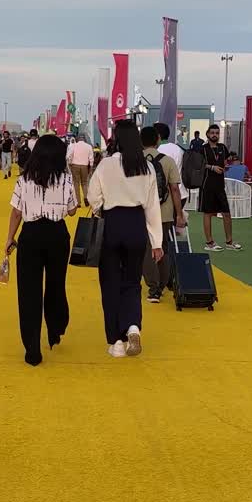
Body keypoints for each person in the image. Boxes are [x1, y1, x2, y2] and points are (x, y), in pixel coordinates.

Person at [87, 120, 164, 359]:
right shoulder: (147, 167)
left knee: (110, 284)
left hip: (112, 224)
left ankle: (116, 342)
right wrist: (157, 241)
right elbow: (152, 207)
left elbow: (92, 197)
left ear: (116, 138)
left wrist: (103, 208)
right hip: (136, 225)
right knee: (132, 281)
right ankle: (132, 326)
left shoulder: (106, 165)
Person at [4, 135, 78, 367]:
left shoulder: (24, 179)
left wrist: (9, 238)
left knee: (28, 292)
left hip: (31, 235)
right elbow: (73, 210)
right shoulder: (65, 179)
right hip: (57, 234)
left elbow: (16, 212)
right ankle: (55, 328)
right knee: (56, 285)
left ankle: (32, 349)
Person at [142, 125, 185, 303]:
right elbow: (175, 189)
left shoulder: (135, 160)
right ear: (158, 139)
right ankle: (161, 285)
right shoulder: (167, 161)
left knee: (147, 249)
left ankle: (153, 287)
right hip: (164, 212)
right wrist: (179, 213)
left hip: (142, 212)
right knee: (163, 247)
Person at [198, 125, 242, 252]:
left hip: (220, 185)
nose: (214, 135)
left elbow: (225, 161)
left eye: (217, 133)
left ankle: (229, 242)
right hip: (207, 185)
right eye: (212, 133)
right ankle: (209, 243)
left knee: (226, 213)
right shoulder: (203, 149)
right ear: (207, 134)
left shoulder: (222, 147)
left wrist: (226, 166)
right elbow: (198, 165)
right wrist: (212, 167)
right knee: (208, 213)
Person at [155, 122, 189, 207]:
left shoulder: (156, 151)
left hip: (165, 196)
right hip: (182, 194)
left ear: (157, 135)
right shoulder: (178, 149)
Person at [66, 134, 94, 207]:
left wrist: (69, 164)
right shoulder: (89, 146)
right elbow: (91, 159)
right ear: (84, 139)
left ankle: (78, 202)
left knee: (76, 184)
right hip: (85, 166)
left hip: (75, 166)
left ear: (77, 139)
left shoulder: (73, 146)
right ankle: (85, 197)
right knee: (84, 183)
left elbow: (68, 156)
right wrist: (90, 169)